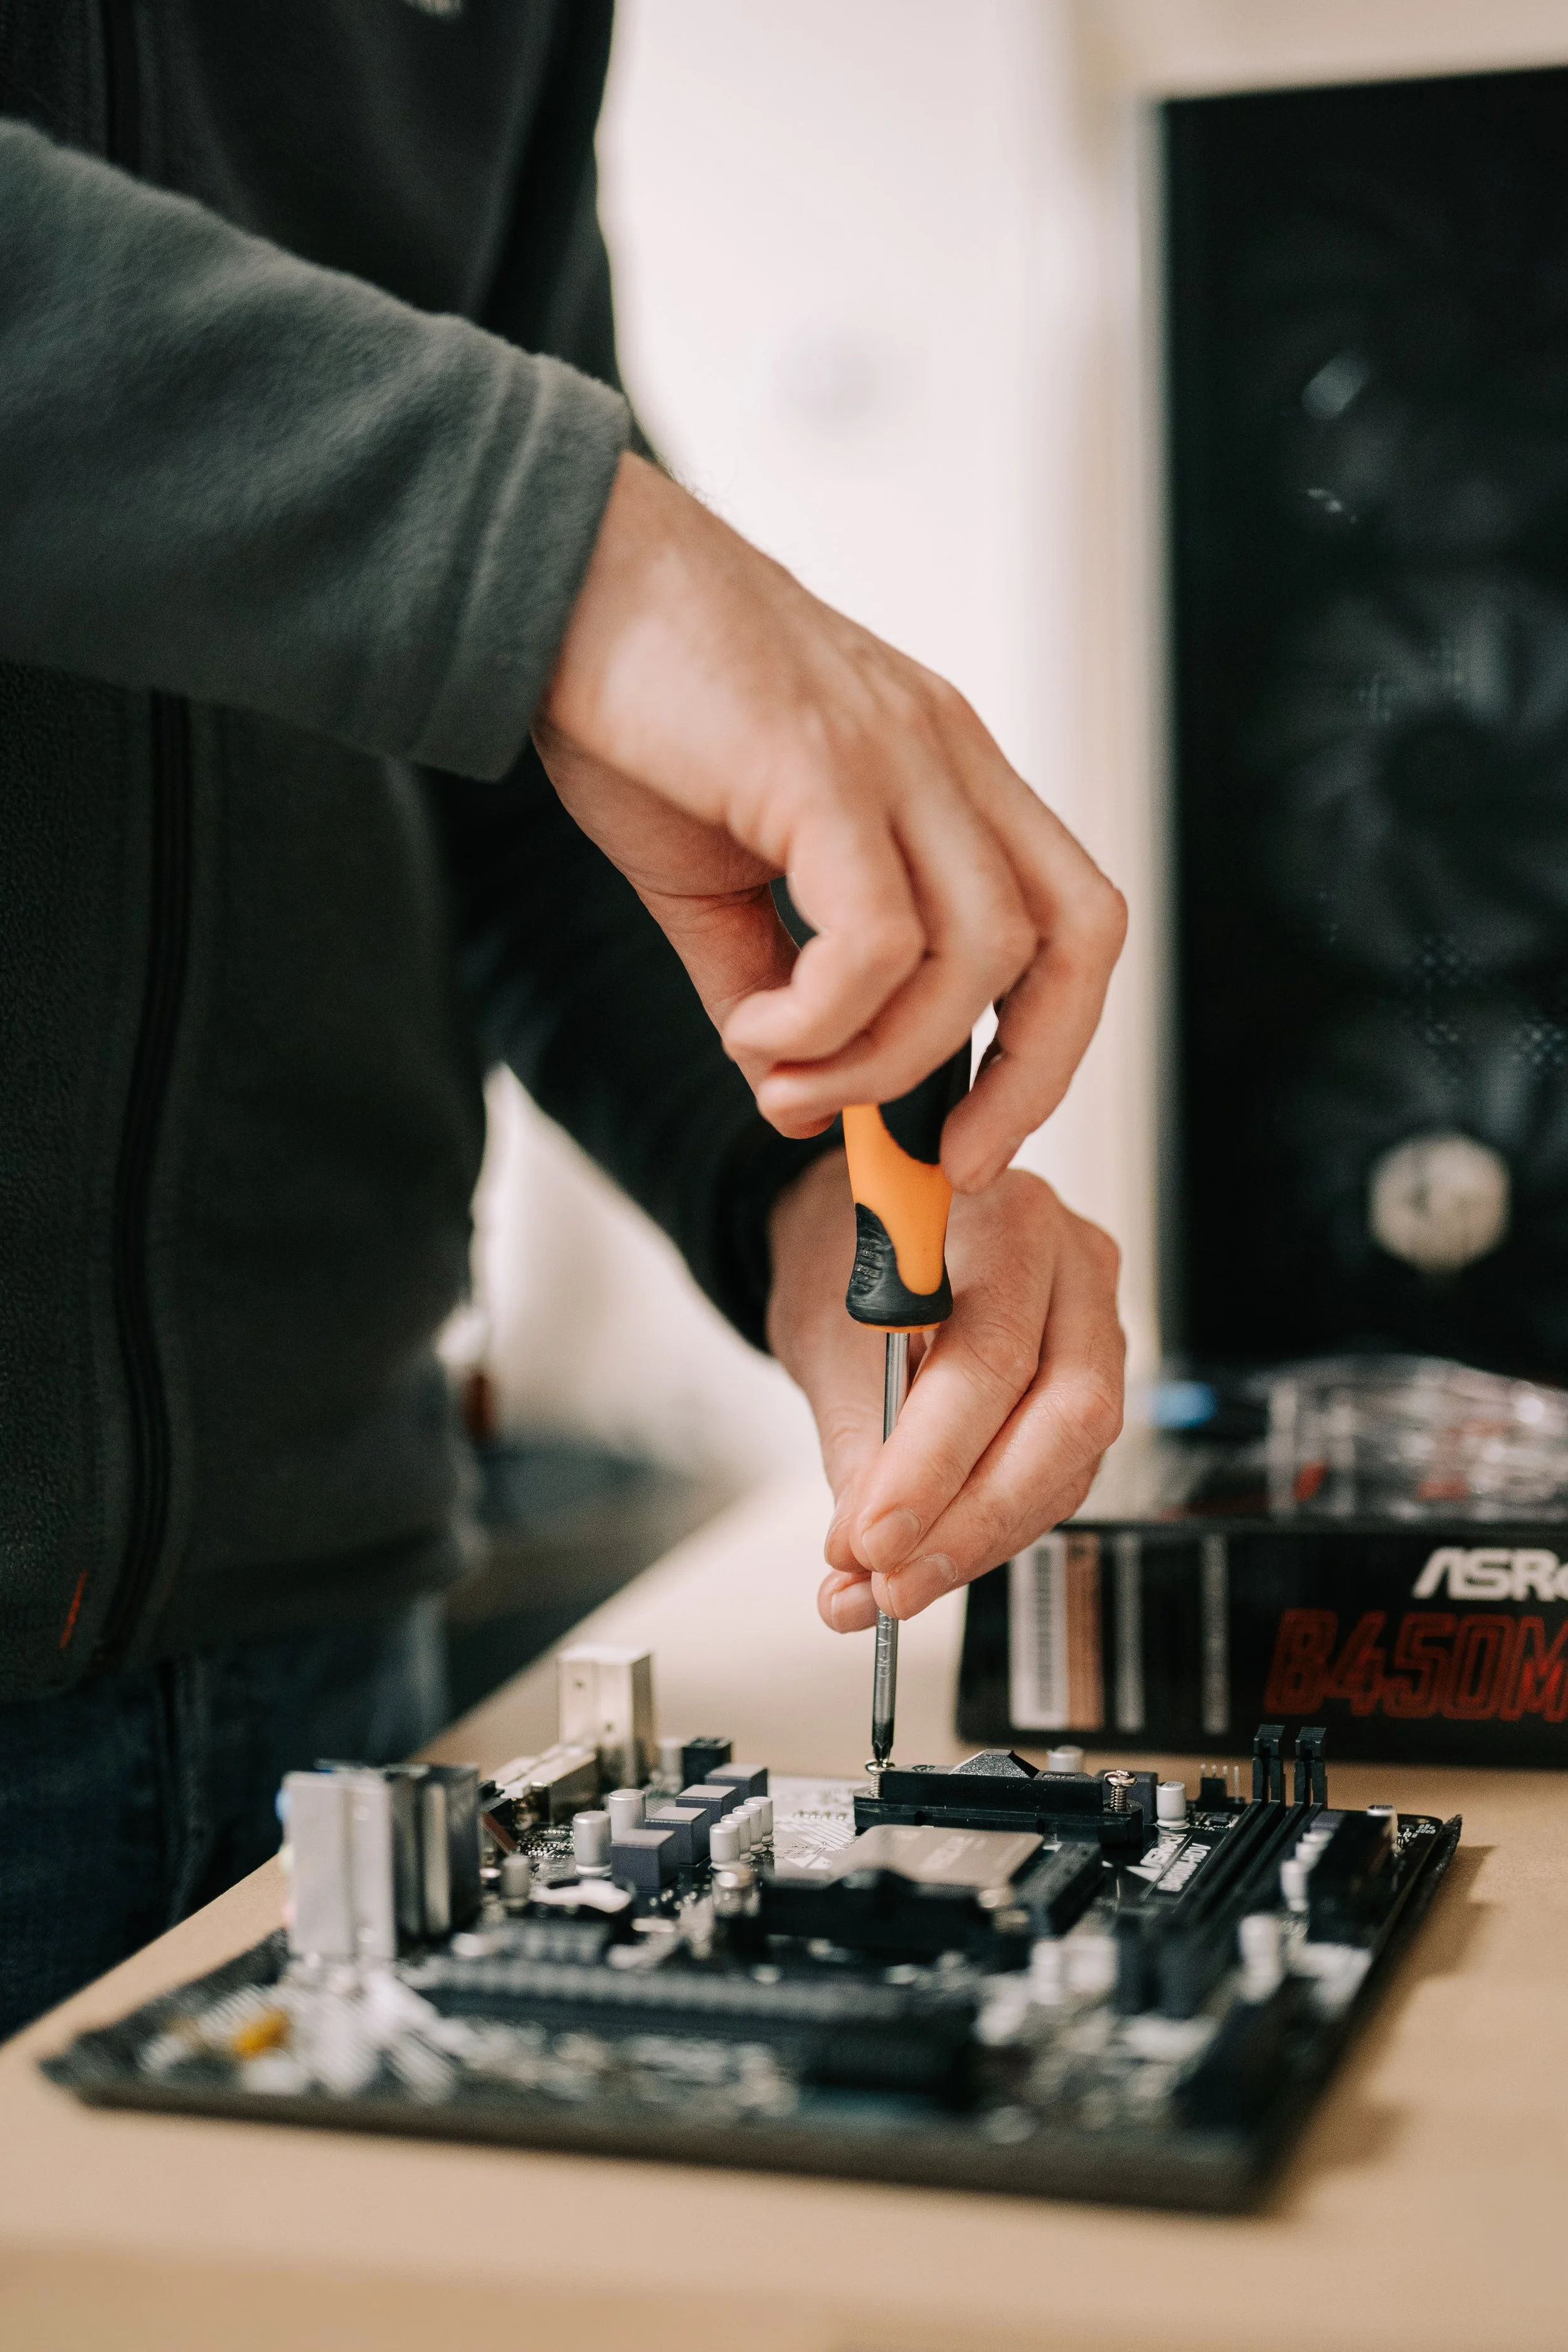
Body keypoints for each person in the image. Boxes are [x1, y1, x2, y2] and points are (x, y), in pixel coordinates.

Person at [0, 0, 1125, 2037]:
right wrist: (557, 541)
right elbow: (515, 568)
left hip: (330, 1653)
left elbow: (509, 749)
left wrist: (793, 1184)